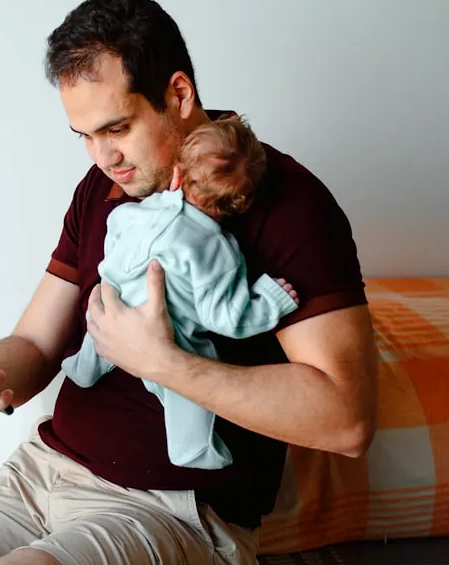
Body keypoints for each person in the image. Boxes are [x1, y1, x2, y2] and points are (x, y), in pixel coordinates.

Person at [0, 0, 377, 565]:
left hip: (170, 509)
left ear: (178, 94)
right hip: (42, 471)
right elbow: (35, 343)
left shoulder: (288, 201)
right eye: (84, 136)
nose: (103, 157)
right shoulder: (105, 189)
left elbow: (346, 419)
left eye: (117, 127)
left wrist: (164, 363)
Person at [61, 115, 302, 471]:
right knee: (186, 389)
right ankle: (191, 448)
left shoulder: (144, 209)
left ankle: (83, 366)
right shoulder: (216, 250)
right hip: (166, 335)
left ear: (175, 176)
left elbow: (115, 225)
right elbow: (226, 318)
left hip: (112, 298)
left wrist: (116, 264)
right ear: (239, 205)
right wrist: (270, 298)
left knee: (98, 325)